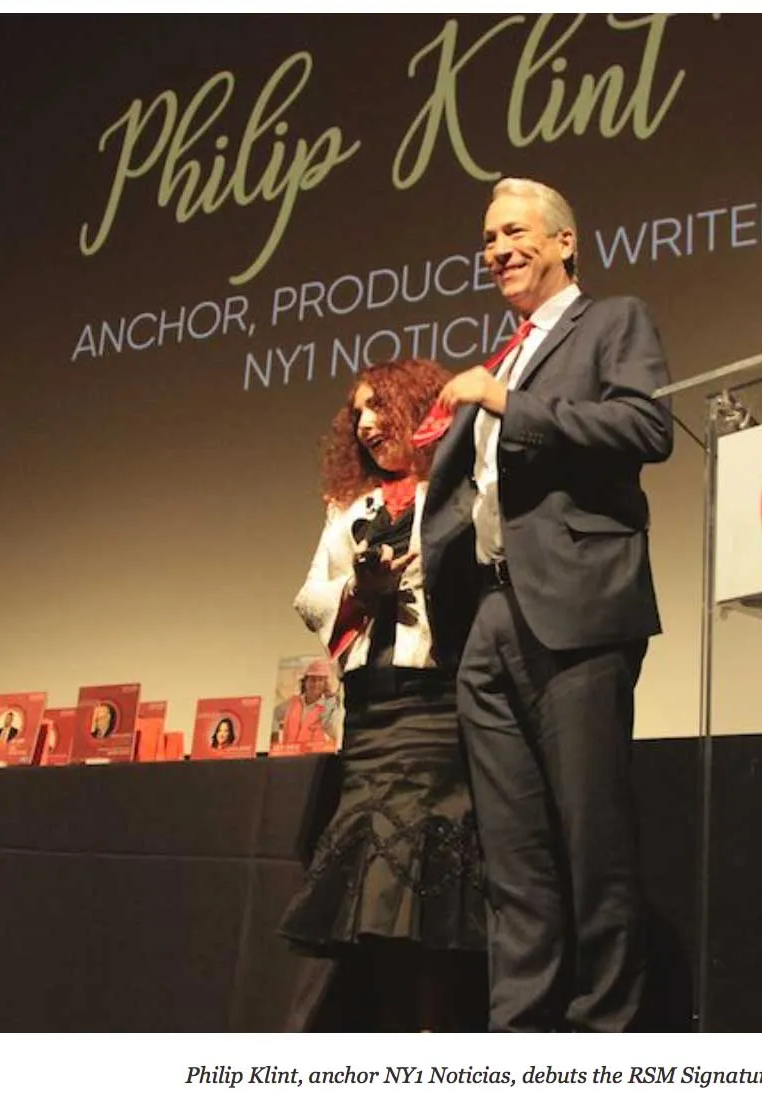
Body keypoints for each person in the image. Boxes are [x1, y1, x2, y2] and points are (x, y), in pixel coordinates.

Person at [418, 178, 673, 1032]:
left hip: (574, 604)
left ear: (566, 241)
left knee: (594, 843)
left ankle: (604, 1039)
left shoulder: (611, 320)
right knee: (513, 854)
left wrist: (508, 404)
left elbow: (647, 428)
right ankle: (518, 1041)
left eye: (515, 232)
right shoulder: (503, 354)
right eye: (488, 238)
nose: (497, 249)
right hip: (488, 618)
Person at [277, 358, 488, 1032]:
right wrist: (357, 592)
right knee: (374, 892)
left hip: (437, 708)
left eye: (381, 408)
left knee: (427, 888)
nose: (367, 424)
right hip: (371, 712)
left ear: (421, 411)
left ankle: (434, 1040)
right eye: (358, 413)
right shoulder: (348, 508)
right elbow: (309, 594)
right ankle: (397, 1039)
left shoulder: (459, 490)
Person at [272, 660, 340, 750]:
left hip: (315, 759)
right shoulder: (292, 702)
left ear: (325, 684)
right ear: (305, 682)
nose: (316, 684)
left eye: (320, 680)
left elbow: (334, 732)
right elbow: (273, 715)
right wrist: (275, 739)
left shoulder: (329, 706)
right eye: (312, 680)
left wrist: (330, 701)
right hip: (289, 756)